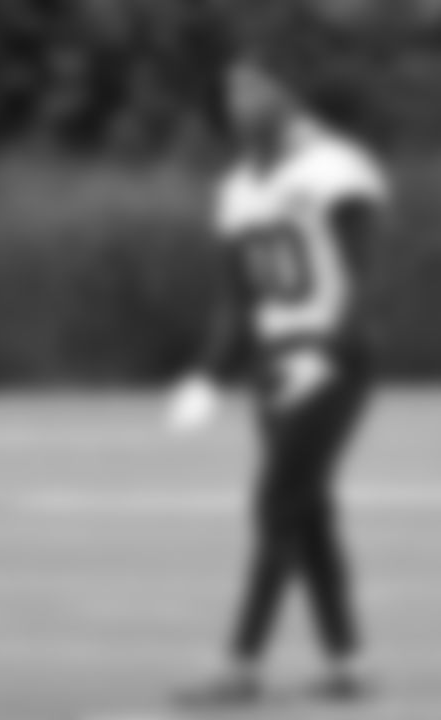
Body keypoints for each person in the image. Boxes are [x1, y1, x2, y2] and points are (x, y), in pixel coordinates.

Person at [167, 56, 391, 705]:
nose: (242, 102)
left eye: (257, 86)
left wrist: (327, 352)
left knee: (278, 504)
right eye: (233, 90)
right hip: (272, 359)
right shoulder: (238, 188)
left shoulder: (337, 169)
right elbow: (239, 301)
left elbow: (365, 280)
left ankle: (241, 665)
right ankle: (348, 662)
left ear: (291, 91)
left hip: (334, 357)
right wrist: (208, 376)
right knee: (308, 513)